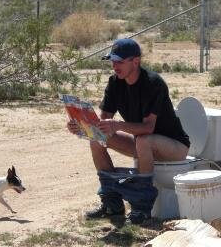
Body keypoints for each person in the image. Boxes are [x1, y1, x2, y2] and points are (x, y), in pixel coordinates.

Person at [67, 38, 190, 224]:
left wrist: (116, 125)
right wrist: (81, 127)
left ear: (136, 61)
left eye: (120, 61)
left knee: (143, 140)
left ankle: (141, 208)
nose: (115, 66)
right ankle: (111, 204)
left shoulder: (153, 83)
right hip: (143, 143)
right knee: (97, 140)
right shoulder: (115, 83)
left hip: (175, 146)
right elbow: (102, 124)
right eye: (113, 61)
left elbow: (148, 127)